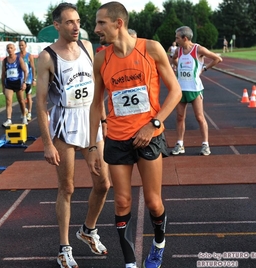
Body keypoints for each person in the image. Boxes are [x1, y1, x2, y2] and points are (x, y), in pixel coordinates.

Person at [89, 2, 182, 268]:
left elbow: (175, 92)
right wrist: (93, 146)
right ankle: (130, 263)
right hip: (117, 139)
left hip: (148, 136)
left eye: (101, 23)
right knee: (121, 201)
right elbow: (96, 104)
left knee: (153, 202)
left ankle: (159, 245)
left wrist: (153, 124)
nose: (96, 29)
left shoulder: (151, 48)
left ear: (119, 23)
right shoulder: (101, 58)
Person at [35, 3, 110, 268]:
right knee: (67, 188)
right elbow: (41, 103)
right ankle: (64, 248)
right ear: (57, 25)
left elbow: (96, 89)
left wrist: (102, 120)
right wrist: (46, 143)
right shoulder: (46, 57)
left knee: (103, 184)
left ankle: (88, 230)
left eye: (78, 21)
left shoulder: (88, 47)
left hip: (90, 124)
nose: (76, 26)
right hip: (64, 127)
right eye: (69, 22)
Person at [171, 26, 222, 156]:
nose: (175, 40)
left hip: (195, 89)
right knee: (180, 117)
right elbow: (174, 59)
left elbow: (217, 59)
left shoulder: (198, 49)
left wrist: (203, 69)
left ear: (185, 38)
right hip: (181, 89)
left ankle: (205, 144)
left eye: (177, 38)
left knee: (199, 117)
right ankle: (180, 144)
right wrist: (179, 68)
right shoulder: (179, 50)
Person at [1, 43, 28, 127]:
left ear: (14, 49)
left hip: (18, 83)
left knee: (21, 100)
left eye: (11, 48)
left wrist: (24, 82)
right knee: (8, 101)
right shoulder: (5, 60)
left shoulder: (19, 59)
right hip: (9, 83)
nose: (9, 49)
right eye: (8, 48)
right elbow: (3, 74)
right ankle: (9, 119)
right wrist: (3, 86)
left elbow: (25, 71)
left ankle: (24, 116)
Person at [17, 40, 36, 121]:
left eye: (22, 45)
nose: (21, 47)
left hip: (28, 79)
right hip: (20, 79)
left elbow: (33, 67)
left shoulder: (29, 56)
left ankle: (30, 113)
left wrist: (34, 79)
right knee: (21, 97)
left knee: (28, 96)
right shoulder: (17, 55)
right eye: (20, 45)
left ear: (26, 46)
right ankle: (24, 111)